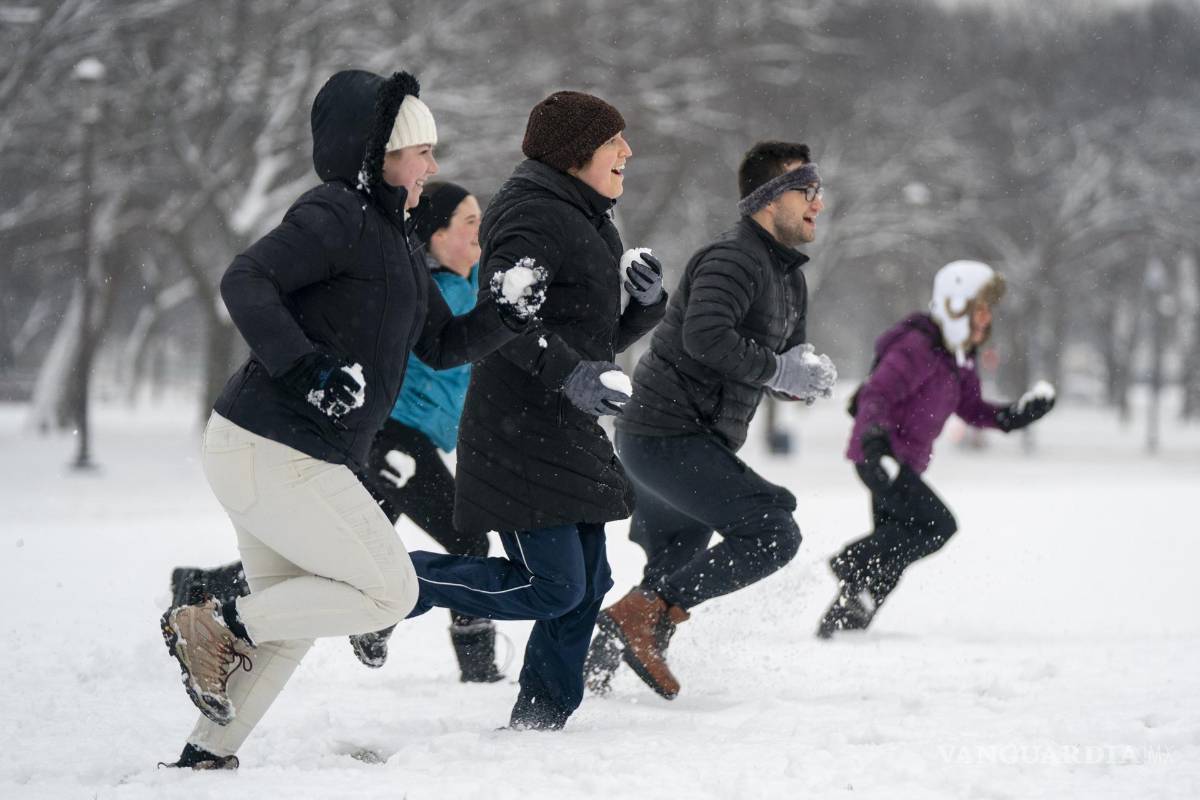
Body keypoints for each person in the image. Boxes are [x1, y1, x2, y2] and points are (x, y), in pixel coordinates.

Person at [157, 70, 544, 770]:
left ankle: (205, 756)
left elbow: (439, 342)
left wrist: (505, 318)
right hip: (274, 445)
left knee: (298, 614)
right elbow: (245, 279)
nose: (433, 165)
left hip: (283, 450)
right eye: (421, 151)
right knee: (385, 591)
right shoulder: (335, 213)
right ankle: (213, 618)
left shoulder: (395, 240)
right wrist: (305, 366)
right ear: (379, 154)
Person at [401, 90, 668, 731]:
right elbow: (504, 324)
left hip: (562, 423)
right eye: (614, 142)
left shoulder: (588, 215)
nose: (627, 152)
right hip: (517, 429)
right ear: (576, 153)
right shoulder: (529, 215)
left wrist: (646, 307)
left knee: (589, 582)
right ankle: (388, 583)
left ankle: (542, 718)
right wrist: (571, 374)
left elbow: (587, 335)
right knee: (551, 586)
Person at [167, 182, 507, 684]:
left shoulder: (474, 286)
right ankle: (473, 668)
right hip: (393, 439)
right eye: (469, 222)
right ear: (434, 236)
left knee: (327, 560)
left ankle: (203, 588)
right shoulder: (413, 294)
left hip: (416, 440)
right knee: (467, 540)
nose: (482, 232)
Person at [582, 141, 837, 700]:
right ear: (769, 199)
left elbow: (772, 366)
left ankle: (589, 669)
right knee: (773, 531)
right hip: (665, 434)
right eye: (806, 189)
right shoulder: (733, 258)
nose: (818, 202)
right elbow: (707, 338)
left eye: (818, 190)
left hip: (686, 439)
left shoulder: (788, 277)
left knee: (678, 557)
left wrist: (801, 378)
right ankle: (643, 618)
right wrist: (778, 372)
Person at [816, 260, 1056, 638]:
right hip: (880, 455)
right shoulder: (918, 347)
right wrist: (876, 443)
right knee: (937, 525)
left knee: (894, 551)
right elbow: (877, 393)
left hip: (903, 462)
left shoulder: (959, 359)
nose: (986, 318)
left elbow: (973, 409)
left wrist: (1015, 416)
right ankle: (850, 560)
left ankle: (843, 624)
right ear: (954, 306)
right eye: (980, 308)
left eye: (988, 309)